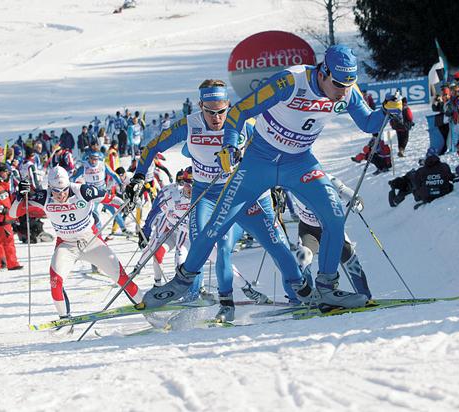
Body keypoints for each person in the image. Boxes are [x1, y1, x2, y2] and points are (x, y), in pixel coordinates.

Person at [130, 45, 395, 311]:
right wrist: (231, 147)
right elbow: (240, 111)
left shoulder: (347, 90)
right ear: (323, 71)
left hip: (299, 162)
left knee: (335, 216)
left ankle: (326, 288)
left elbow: (369, 124)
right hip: (259, 162)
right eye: (338, 84)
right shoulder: (289, 81)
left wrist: (387, 111)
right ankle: (181, 284)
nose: (344, 92)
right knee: (217, 227)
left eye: (349, 84)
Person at [128, 79, 306, 321]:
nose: (216, 118)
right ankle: (217, 303)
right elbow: (152, 146)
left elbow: (276, 150)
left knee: (277, 244)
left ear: (228, 105)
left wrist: (275, 183)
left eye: (221, 111)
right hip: (207, 194)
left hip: (247, 193)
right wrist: (139, 176)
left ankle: (300, 295)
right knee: (203, 242)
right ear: (200, 106)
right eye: (210, 112)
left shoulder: (245, 122)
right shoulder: (189, 124)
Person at [10, 167, 143, 320]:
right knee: (55, 281)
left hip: (91, 241)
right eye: (56, 191)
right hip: (66, 245)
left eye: (64, 190)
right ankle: (64, 319)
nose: (60, 195)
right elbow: (13, 213)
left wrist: (126, 204)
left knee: (121, 277)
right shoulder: (43, 197)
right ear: (49, 188)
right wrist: (20, 197)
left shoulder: (83, 191)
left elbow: (111, 199)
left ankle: (144, 305)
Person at [292, 174, 371, 298]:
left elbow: (347, 192)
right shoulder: (292, 180)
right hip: (308, 230)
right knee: (303, 259)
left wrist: (357, 202)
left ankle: (365, 296)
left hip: (331, 229)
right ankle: (309, 299)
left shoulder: (326, 178)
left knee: (352, 263)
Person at [140, 169, 192, 287]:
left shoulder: (202, 196)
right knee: (158, 253)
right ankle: (158, 284)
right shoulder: (172, 194)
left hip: (190, 236)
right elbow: (155, 211)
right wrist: (146, 230)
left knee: (190, 262)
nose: (189, 188)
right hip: (173, 233)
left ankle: (198, 289)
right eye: (185, 184)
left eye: (192, 184)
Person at [0, 163, 23, 271]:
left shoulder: (3, 184)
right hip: (1, 217)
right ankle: (11, 263)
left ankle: (2, 263)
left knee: (1, 241)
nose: (7, 174)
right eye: (5, 171)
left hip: (6, 217)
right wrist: (3, 210)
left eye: (7, 172)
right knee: (7, 240)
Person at [388, 148, 454, 208]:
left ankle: (397, 185)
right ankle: (399, 183)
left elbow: (417, 186)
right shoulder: (444, 166)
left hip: (427, 194)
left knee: (412, 184)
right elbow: (451, 177)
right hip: (444, 191)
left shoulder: (421, 171)